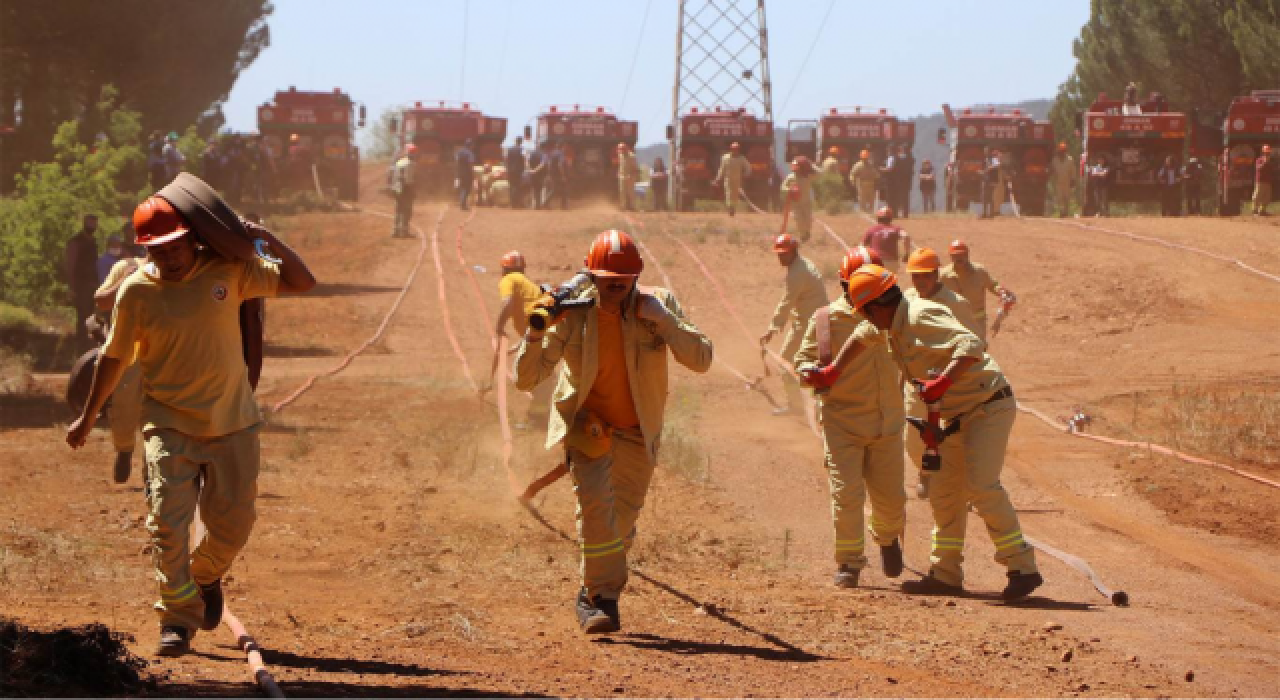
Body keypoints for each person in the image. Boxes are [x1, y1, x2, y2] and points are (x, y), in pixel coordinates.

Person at [66, 194, 316, 657]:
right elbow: (115, 357)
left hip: (233, 422)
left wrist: (264, 238)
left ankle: (202, 579)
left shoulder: (229, 272)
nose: (169, 257)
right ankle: (177, 620)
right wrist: (86, 417)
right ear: (145, 250)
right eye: (157, 250)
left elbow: (302, 282)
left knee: (233, 526)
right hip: (167, 422)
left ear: (192, 239)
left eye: (175, 247)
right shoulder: (136, 290)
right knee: (166, 522)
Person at [514, 230, 712, 634]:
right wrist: (535, 333)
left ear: (637, 277)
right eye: (606, 280)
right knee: (595, 513)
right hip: (589, 427)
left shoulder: (657, 306)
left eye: (623, 279)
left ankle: (596, 587)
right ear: (591, 276)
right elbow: (527, 378)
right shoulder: (573, 313)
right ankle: (600, 598)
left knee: (620, 522)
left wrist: (666, 321)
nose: (615, 286)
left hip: (640, 431)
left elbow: (702, 359)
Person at [828, 264, 1043, 602]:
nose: (866, 321)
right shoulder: (889, 323)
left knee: (980, 484)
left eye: (866, 313)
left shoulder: (919, 315)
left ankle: (1022, 567)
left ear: (878, 305)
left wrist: (942, 382)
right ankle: (945, 573)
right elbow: (862, 336)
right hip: (952, 416)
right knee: (944, 493)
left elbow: (972, 345)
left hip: (987, 406)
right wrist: (831, 371)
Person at [794, 250, 907, 589]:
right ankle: (849, 562)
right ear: (846, 284)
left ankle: (887, 537)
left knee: (891, 499)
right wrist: (809, 372)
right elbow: (803, 360)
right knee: (847, 494)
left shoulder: (897, 316)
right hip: (842, 422)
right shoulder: (827, 320)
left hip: (887, 422)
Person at [901, 247, 982, 500]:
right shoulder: (906, 300)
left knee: (956, 437)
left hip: (952, 381)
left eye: (925, 275)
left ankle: (958, 483)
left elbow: (974, 343)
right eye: (915, 276)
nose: (920, 281)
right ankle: (925, 471)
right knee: (913, 439)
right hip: (919, 382)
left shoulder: (956, 304)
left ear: (936, 274)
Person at [93, 248, 148, 484]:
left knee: (162, 415)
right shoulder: (125, 266)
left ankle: (153, 472)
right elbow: (102, 300)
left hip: (166, 353)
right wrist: (127, 280)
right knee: (124, 407)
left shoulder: (183, 268)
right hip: (128, 353)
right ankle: (124, 450)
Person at [760, 234, 828, 416]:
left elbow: (787, 301)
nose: (780, 257)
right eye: (779, 254)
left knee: (785, 363)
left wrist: (772, 328)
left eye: (784, 254)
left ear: (793, 252)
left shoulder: (797, 273)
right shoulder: (802, 265)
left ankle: (796, 407)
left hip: (808, 325)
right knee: (813, 365)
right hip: (817, 321)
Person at [490, 251, 552, 428]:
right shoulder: (526, 284)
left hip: (540, 335)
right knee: (544, 376)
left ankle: (538, 420)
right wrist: (518, 345)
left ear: (504, 269)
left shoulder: (508, 280)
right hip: (545, 332)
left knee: (533, 376)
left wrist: (499, 326)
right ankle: (541, 417)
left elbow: (508, 304)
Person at [939, 240, 1014, 342]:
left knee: (977, 352)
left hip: (977, 323)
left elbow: (993, 285)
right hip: (954, 322)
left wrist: (1001, 291)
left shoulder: (979, 271)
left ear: (968, 254)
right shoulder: (944, 275)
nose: (959, 258)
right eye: (955, 255)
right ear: (950, 256)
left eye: (962, 254)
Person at [65, 215, 100, 352]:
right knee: (83, 318)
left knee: (92, 318)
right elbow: (70, 265)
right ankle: (81, 349)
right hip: (81, 286)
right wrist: (71, 287)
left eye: (94, 223)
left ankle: (89, 348)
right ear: (84, 223)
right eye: (90, 222)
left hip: (93, 285)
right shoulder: (75, 241)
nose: (93, 226)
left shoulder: (93, 242)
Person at [861, 206, 913, 276]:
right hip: (892, 262)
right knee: (889, 282)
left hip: (876, 261)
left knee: (877, 282)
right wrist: (907, 253)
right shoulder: (896, 228)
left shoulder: (872, 229)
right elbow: (906, 236)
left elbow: (862, 246)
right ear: (890, 218)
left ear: (878, 218)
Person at [780, 156, 816, 241]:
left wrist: (810, 165)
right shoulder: (791, 177)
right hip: (796, 204)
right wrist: (790, 190)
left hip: (807, 203)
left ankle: (807, 232)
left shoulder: (809, 176)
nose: (794, 168)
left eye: (797, 166)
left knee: (808, 220)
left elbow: (820, 173)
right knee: (798, 219)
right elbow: (783, 187)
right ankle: (803, 235)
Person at [713, 142, 752, 216]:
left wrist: (746, 174)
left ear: (738, 150)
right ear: (731, 149)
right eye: (734, 149)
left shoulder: (742, 158)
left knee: (735, 195)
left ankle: (733, 208)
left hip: (737, 180)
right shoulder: (725, 157)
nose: (735, 151)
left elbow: (748, 167)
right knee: (728, 193)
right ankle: (730, 208)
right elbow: (722, 169)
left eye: (736, 149)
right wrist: (718, 179)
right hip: (728, 179)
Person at [390, 144, 418, 238]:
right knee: (407, 210)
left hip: (397, 187)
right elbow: (410, 179)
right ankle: (405, 231)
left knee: (398, 209)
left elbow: (393, 175)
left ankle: (395, 230)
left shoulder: (399, 162)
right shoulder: (412, 164)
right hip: (406, 188)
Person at [1048, 142, 1077, 218]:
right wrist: (1050, 173)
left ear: (1065, 151)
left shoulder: (1070, 159)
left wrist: (1073, 180)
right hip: (1058, 182)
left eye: (1063, 150)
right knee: (1059, 198)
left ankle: (1066, 212)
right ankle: (1062, 212)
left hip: (1067, 181)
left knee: (1067, 198)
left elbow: (1073, 170)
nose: (1062, 152)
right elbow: (1052, 169)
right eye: (1061, 150)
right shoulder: (1055, 160)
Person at [849, 149, 880, 214]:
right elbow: (852, 174)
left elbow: (876, 174)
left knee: (871, 199)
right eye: (864, 158)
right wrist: (853, 182)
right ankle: (863, 212)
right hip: (861, 184)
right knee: (862, 199)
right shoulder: (858, 165)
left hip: (871, 184)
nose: (865, 159)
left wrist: (877, 180)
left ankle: (870, 212)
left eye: (866, 158)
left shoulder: (870, 165)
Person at [982, 148, 1007, 218]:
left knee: (990, 197)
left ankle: (991, 213)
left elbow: (997, 165)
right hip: (986, 179)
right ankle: (985, 213)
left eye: (986, 151)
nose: (985, 152)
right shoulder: (986, 159)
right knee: (985, 197)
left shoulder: (994, 159)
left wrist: (989, 168)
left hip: (992, 180)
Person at [616, 143, 639, 212]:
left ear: (626, 148)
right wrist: (619, 173)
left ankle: (633, 206)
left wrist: (631, 175)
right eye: (620, 149)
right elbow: (621, 165)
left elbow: (635, 168)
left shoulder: (632, 156)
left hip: (630, 176)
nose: (621, 150)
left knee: (630, 192)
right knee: (622, 192)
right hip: (622, 176)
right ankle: (623, 207)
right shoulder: (620, 155)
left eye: (622, 149)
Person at [1253, 144, 1274, 215]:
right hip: (1260, 181)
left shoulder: (1271, 161)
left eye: (1268, 153)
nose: (1267, 154)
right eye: (1266, 153)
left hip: (1268, 181)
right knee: (1257, 195)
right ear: (1263, 152)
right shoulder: (1259, 160)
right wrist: (1265, 163)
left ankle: (1262, 211)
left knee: (1267, 197)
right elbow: (1258, 168)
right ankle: (1254, 210)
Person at [456, 139, 476, 211]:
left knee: (462, 187)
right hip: (467, 173)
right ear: (470, 145)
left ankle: (462, 202)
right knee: (467, 188)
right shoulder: (470, 153)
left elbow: (457, 161)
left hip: (460, 172)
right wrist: (473, 173)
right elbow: (470, 164)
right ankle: (463, 204)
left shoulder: (459, 152)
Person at [506, 137, 526, 209]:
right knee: (517, 187)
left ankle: (512, 203)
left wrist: (507, 168)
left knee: (511, 186)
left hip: (510, 170)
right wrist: (523, 169)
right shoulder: (522, 149)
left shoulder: (510, 149)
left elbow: (507, 159)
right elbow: (523, 159)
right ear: (521, 142)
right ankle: (516, 203)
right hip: (518, 171)